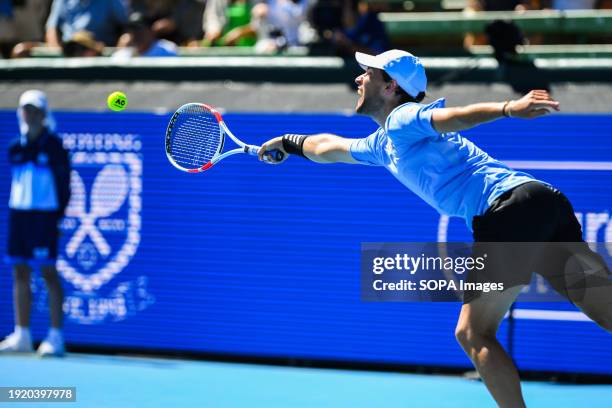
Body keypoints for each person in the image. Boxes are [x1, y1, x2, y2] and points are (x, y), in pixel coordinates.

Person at [257, 49, 612, 407]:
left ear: (391, 86)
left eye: (368, 73)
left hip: (507, 212)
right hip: (542, 200)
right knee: (606, 310)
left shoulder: (402, 119)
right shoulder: (384, 144)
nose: (358, 79)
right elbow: (329, 147)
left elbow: (454, 117)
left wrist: (508, 108)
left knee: (473, 333)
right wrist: (287, 142)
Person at [0, 90, 71, 357]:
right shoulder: (14, 147)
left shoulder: (55, 147)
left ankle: (56, 336)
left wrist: (58, 218)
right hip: (19, 215)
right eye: (25, 109)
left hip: (45, 217)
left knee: (48, 273)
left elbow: (64, 187)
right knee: (19, 272)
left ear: (43, 114)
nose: (29, 114)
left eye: (33, 110)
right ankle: (22, 334)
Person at [45, 0, 128, 47]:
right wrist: (55, 51)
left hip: (99, 54)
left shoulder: (112, 1)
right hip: (69, 52)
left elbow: (126, 26)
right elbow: (51, 28)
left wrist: (120, 48)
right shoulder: (62, 1)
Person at [112, 12, 178, 59]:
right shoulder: (123, 54)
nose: (136, 34)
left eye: (139, 29)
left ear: (150, 31)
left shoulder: (167, 49)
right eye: (133, 30)